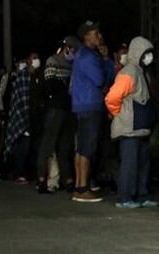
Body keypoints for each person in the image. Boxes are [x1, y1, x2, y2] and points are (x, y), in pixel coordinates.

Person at [105, 36, 159, 209]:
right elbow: (112, 97)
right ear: (138, 53)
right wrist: (117, 114)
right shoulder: (129, 73)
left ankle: (141, 195)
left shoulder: (142, 72)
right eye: (146, 53)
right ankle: (124, 197)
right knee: (129, 164)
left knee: (142, 163)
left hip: (140, 126)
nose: (149, 57)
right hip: (130, 127)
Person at [71, 21, 115, 203]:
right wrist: (106, 62)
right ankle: (82, 189)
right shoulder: (88, 57)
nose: (100, 36)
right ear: (86, 36)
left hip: (83, 105)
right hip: (90, 105)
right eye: (95, 34)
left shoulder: (84, 54)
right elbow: (100, 80)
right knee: (88, 147)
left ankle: (80, 186)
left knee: (82, 148)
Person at [36, 36, 79, 194]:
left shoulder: (72, 64)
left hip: (68, 109)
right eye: (72, 49)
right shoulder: (52, 60)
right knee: (48, 144)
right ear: (66, 47)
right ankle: (41, 179)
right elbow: (50, 84)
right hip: (55, 108)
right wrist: (65, 86)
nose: (73, 52)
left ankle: (67, 179)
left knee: (65, 146)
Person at [6, 54, 37, 183]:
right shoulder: (23, 77)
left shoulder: (32, 76)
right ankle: (19, 173)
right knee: (22, 148)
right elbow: (23, 99)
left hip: (28, 116)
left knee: (25, 147)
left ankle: (21, 173)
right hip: (22, 117)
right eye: (34, 58)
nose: (36, 61)